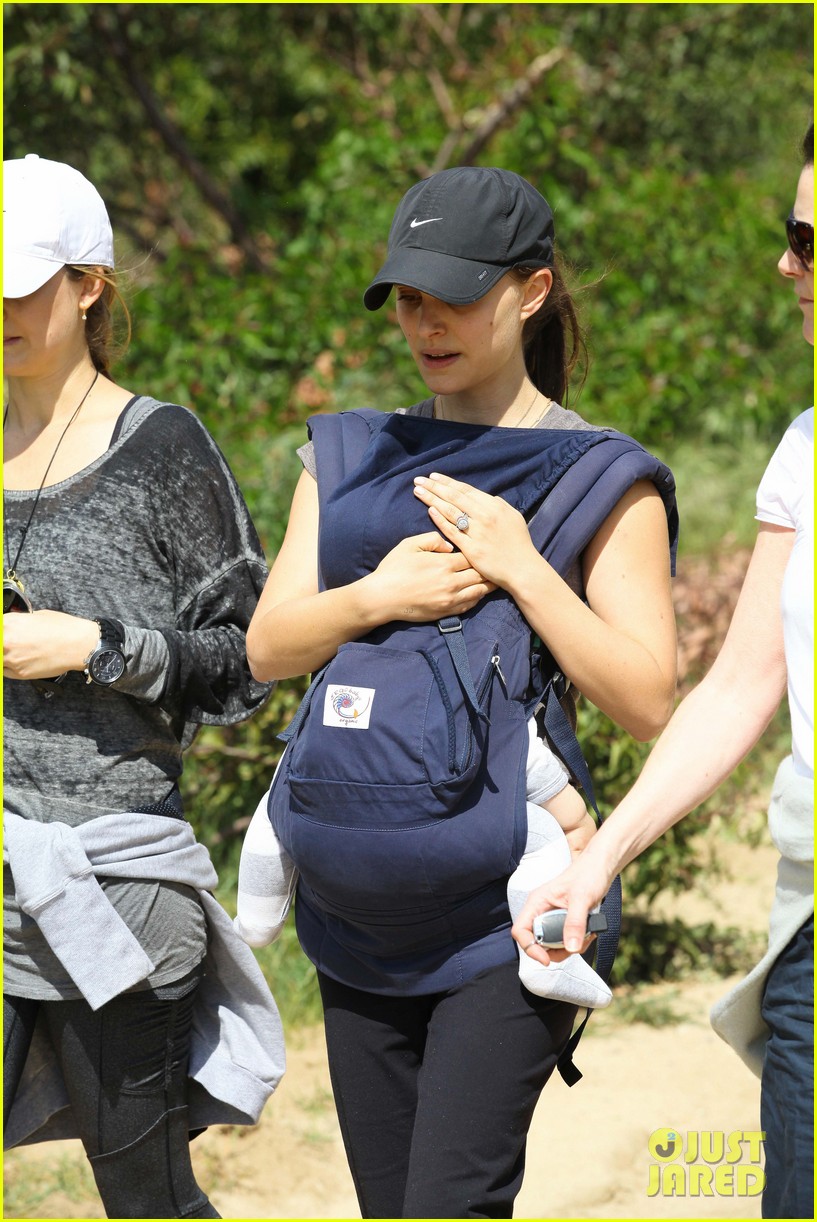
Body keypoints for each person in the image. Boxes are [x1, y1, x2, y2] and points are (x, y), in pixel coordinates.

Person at [245, 165, 678, 1219]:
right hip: (353, 921)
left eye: (451, 294)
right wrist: (375, 595)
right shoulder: (345, 455)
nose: (423, 321)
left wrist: (525, 567)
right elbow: (266, 646)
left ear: (530, 291)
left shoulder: (600, 474)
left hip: (514, 911)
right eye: (405, 296)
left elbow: (652, 703)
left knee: (449, 1205)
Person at [512, 124, 814, 1221]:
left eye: (805, 240)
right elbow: (737, 687)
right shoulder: (802, 446)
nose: (786, 265)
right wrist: (597, 865)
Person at [2, 154, 286, 1220]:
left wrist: (98, 644)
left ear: (89, 285)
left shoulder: (160, 445)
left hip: (114, 887)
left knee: (145, 1193)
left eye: (23, 282)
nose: (2, 307)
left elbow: (248, 658)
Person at [237, 715, 611, 1009]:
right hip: (446, 838)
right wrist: (578, 831)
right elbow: (522, 757)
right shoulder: (473, 663)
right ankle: (546, 959)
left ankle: (256, 920)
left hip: (338, 857)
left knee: (277, 803)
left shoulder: (341, 660)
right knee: (543, 832)